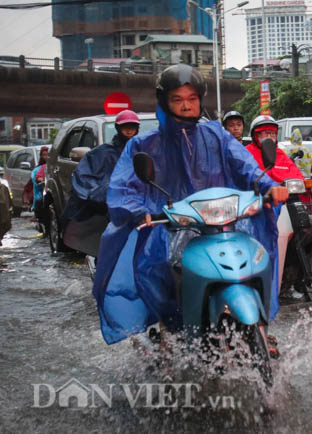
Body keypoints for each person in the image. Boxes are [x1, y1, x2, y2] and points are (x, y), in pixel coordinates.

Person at [91, 64, 287, 345]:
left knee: (254, 258)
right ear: (164, 102)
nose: (186, 106)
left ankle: (260, 327)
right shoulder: (144, 145)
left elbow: (245, 166)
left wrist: (268, 187)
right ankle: (171, 331)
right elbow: (123, 187)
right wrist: (140, 212)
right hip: (169, 228)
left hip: (222, 223)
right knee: (161, 273)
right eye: (177, 99)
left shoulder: (216, 135)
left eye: (192, 99)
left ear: (201, 100)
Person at [63, 110, 140, 227]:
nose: (129, 130)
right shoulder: (100, 153)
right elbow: (84, 180)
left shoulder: (145, 150)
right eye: (125, 127)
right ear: (118, 128)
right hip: (108, 207)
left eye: (132, 127)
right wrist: (101, 194)